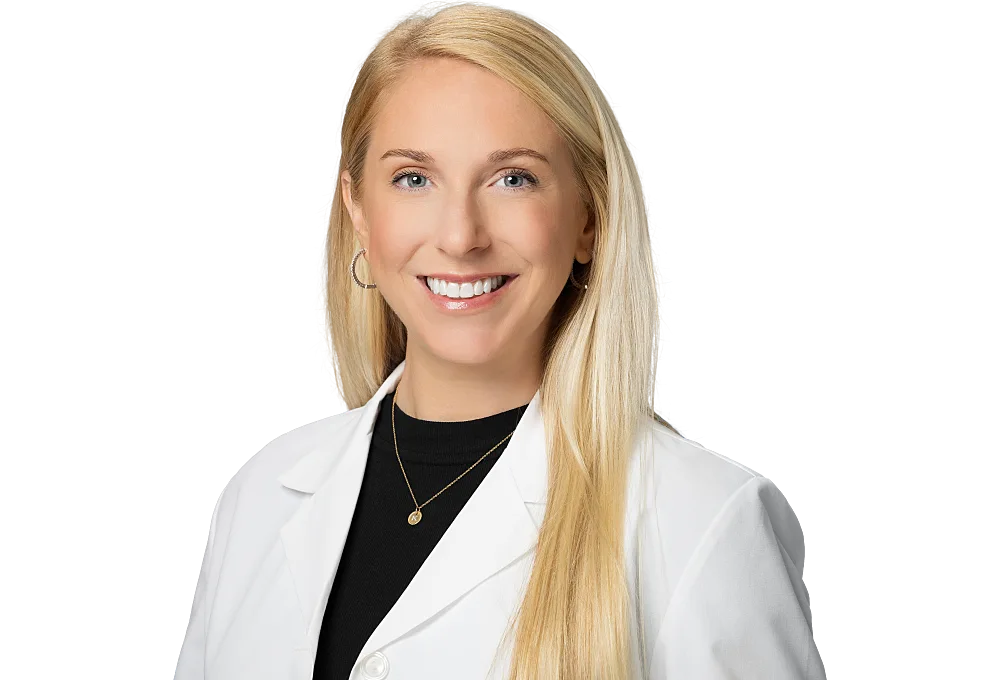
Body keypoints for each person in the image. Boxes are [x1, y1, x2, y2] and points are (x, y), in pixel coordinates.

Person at [176, 1, 826, 678]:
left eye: (513, 178)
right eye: (414, 179)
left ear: (588, 218)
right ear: (359, 211)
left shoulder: (699, 519)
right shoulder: (258, 494)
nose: (461, 236)